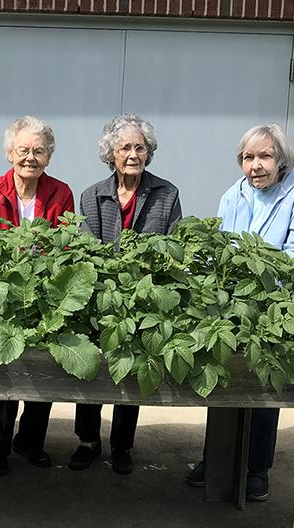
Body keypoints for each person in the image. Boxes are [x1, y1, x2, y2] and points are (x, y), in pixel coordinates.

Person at [185, 124, 294, 499]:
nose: (256, 165)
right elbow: (218, 249)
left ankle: (257, 468)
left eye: (265, 156)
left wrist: (258, 272)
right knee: (225, 379)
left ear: (282, 159)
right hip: (233, 301)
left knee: (265, 383)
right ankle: (216, 458)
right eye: (248, 158)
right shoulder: (234, 194)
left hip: (276, 302)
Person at [71, 114, 182, 475]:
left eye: (139, 147)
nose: (133, 154)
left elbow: (172, 247)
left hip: (144, 298)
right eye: (124, 148)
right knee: (91, 368)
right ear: (111, 155)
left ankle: (122, 445)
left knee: (131, 370)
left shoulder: (167, 194)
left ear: (148, 152)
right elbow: (86, 250)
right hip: (100, 297)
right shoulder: (92, 195)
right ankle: (87, 441)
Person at [0, 115, 74, 476]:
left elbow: (64, 246)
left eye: (39, 151)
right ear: (9, 154)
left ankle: (31, 441)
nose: (30, 157)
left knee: (42, 368)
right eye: (23, 150)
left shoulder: (61, 192)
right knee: (3, 367)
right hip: (3, 293)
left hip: (46, 293)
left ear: (48, 156)